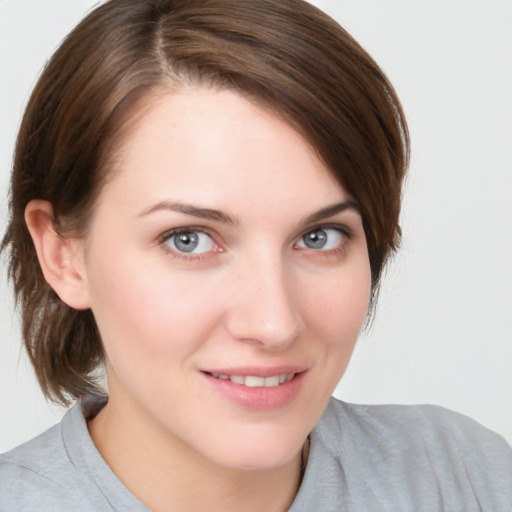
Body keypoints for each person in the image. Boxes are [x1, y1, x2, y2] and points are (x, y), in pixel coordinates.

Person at [0, 0, 510, 510]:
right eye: (189, 240)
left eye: (320, 237)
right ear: (63, 253)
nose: (274, 324)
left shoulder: (466, 478)